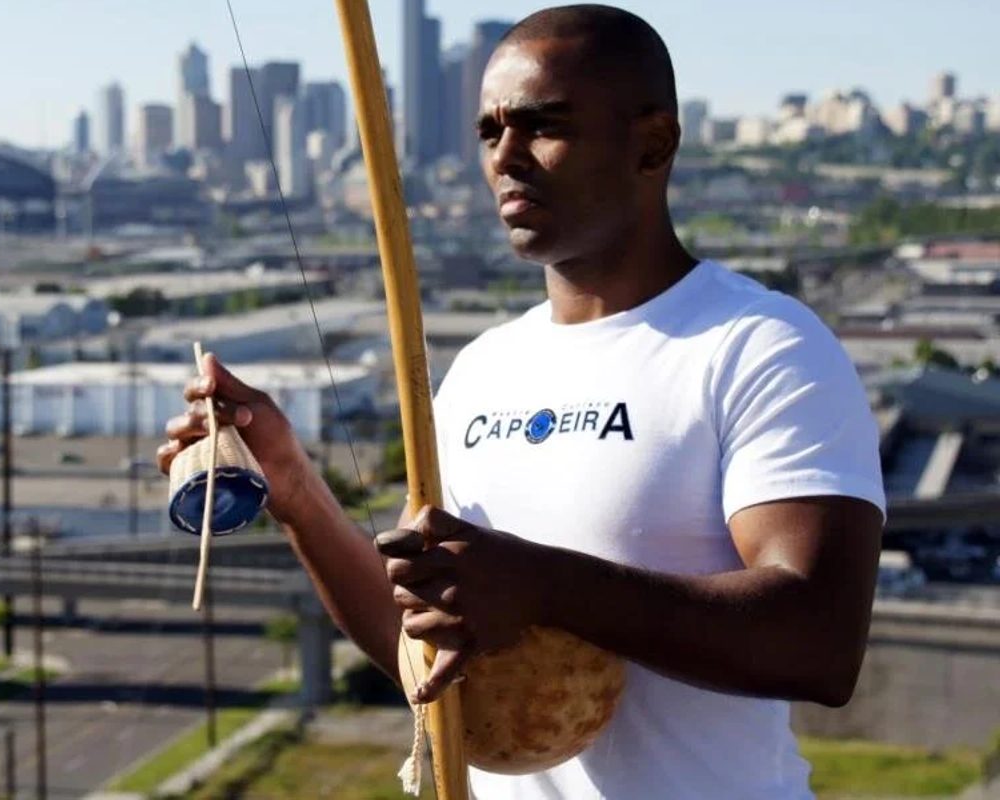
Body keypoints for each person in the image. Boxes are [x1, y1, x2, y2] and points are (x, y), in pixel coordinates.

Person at [157, 4, 884, 798]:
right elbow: (421, 648)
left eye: (544, 126)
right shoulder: (482, 369)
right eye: (489, 132)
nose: (506, 157)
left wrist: (544, 587)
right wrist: (295, 490)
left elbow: (819, 643)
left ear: (653, 143)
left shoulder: (758, 345)